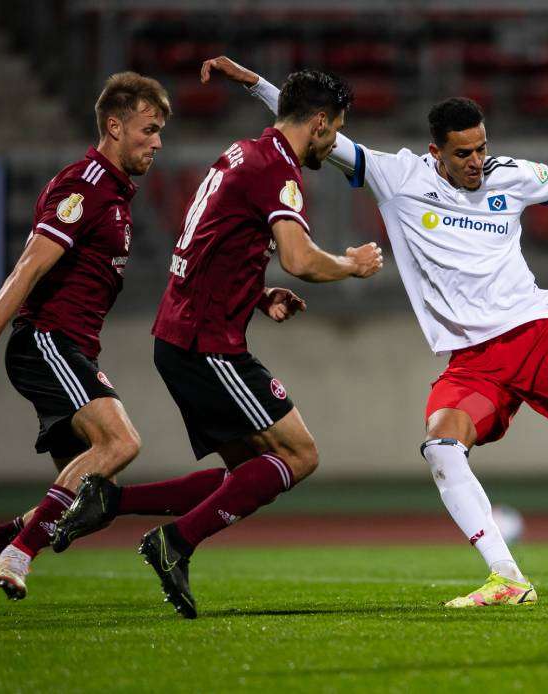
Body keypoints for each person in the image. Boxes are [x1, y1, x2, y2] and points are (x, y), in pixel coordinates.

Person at [205, 55, 548, 609]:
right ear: (436, 153)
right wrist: (253, 82)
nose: (477, 161)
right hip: (471, 359)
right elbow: (308, 120)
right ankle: (507, 578)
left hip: (534, 333)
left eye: (482, 147)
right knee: (442, 446)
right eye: (463, 153)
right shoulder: (395, 176)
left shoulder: (509, 177)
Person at [53, 69, 382, 619]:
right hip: (209, 344)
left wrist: (255, 293)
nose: (332, 145)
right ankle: (174, 542)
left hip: (182, 334)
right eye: (335, 131)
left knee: (244, 474)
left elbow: (208, 241)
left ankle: (111, 501)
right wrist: (352, 264)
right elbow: (300, 258)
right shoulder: (278, 171)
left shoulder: (241, 154)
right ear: (320, 123)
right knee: (299, 456)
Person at [0, 73, 170, 612]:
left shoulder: (116, 194)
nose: (157, 142)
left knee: (87, 501)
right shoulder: (86, 184)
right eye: (148, 130)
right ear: (114, 125)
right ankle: (16, 556)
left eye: (161, 132)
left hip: (69, 347)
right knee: (121, 443)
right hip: (46, 341)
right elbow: (28, 267)